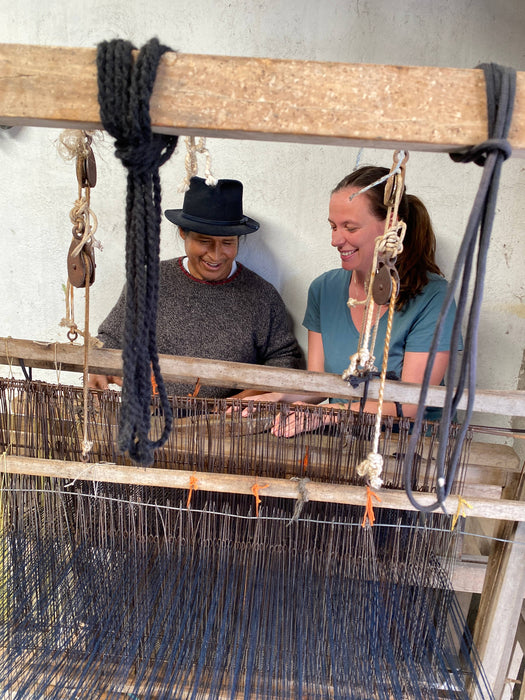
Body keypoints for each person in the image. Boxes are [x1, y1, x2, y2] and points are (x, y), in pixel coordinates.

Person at [249, 165, 459, 435]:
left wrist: (329, 414)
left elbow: (410, 405)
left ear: (391, 225)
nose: (336, 240)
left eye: (350, 227)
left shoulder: (433, 297)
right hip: (344, 441)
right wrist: (278, 397)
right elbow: (319, 384)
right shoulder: (324, 289)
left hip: (410, 453)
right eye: (333, 226)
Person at [88, 176, 304, 396]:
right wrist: (100, 364)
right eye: (204, 241)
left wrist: (244, 400)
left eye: (228, 242)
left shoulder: (262, 296)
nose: (216, 255)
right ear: (183, 233)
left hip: (229, 426)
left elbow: (284, 361)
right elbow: (111, 338)